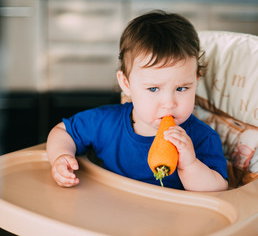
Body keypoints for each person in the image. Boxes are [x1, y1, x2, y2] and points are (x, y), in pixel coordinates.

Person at [46, 10, 228, 191]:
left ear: (196, 81)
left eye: (181, 88)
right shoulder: (106, 123)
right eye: (153, 89)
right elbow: (63, 132)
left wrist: (190, 164)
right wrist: (61, 157)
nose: (169, 103)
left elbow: (218, 189)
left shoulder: (202, 138)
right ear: (126, 84)